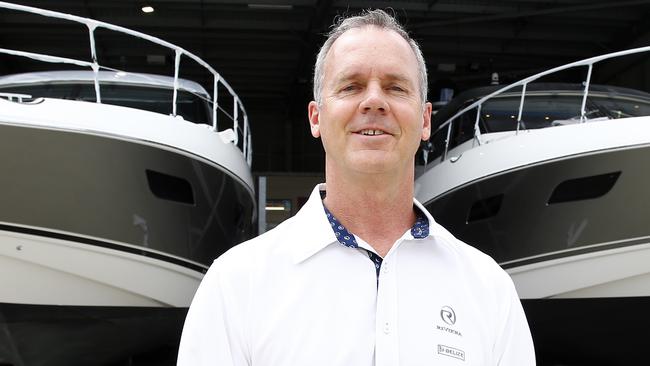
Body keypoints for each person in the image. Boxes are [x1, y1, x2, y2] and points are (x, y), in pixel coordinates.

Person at [178, 9, 535, 366]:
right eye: (351, 86)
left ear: (425, 120)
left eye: (395, 87)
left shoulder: (489, 289)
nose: (374, 101)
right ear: (316, 118)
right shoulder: (237, 284)